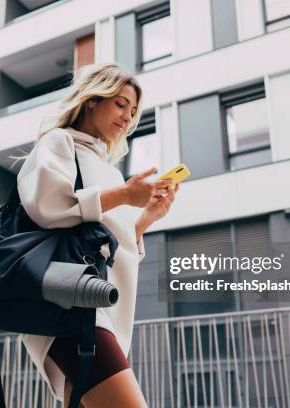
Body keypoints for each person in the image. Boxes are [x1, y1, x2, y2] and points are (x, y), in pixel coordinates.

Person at [16, 62, 179, 407]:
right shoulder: (60, 143)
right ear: (93, 100)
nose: (127, 116)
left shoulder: (109, 171)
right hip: (69, 303)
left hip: (94, 304)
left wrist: (145, 217)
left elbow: (110, 248)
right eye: (120, 104)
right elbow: (47, 206)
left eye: (132, 111)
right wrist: (123, 196)